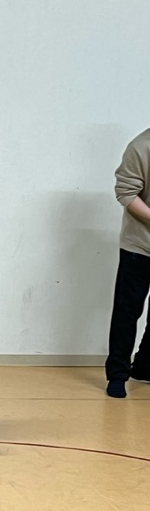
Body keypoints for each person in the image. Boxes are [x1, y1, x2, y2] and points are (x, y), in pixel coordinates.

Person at [106, 130, 150, 398]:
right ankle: (117, 373)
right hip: (140, 246)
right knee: (127, 311)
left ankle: (144, 366)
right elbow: (126, 193)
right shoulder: (141, 146)